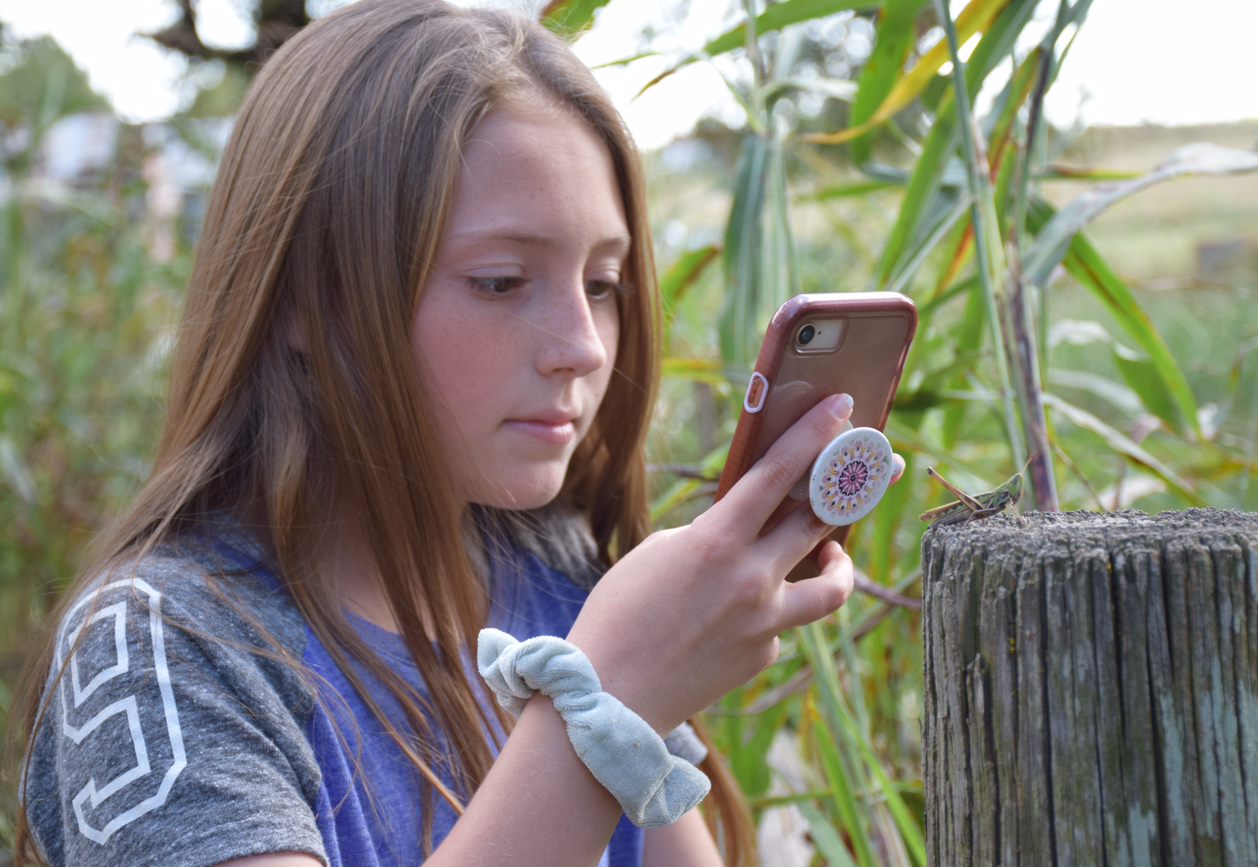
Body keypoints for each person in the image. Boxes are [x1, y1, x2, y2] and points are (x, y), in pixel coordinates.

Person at [13, 1, 905, 865]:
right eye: (501, 280)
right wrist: (609, 700)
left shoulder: (560, 579)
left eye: (602, 283)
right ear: (302, 300)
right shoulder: (166, 649)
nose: (584, 346)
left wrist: (627, 679)